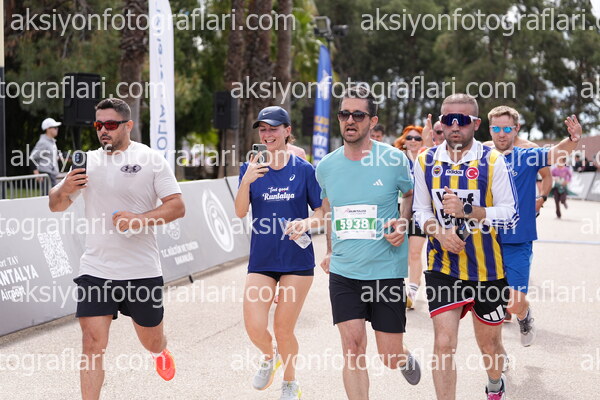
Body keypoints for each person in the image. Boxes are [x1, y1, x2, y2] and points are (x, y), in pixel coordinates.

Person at [49, 99, 184, 399]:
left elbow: (177, 206)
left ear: (128, 125)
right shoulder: (87, 162)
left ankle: (160, 351)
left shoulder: (150, 159)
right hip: (96, 270)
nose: (103, 131)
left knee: (151, 340)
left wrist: (140, 220)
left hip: (141, 270)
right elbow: (56, 206)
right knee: (92, 344)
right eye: (99, 125)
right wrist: (64, 189)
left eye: (110, 124)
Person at [317, 86, 421, 399]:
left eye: (358, 115)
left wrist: (403, 222)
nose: (350, 120)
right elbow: (329, 210)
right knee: (352, 348)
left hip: (385, 270)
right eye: (344, 114)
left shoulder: (393, 159)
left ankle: (401, 355)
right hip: (344, 273)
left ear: (372, 120)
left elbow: (410, 195)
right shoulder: (326, 166)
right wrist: (329, 251)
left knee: (388, 355)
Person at [413, 94, 518, 400]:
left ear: (476, 123)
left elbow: (511, 214)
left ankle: (495, 382)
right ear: (441, 124)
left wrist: (468, 210)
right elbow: (420, 210)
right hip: (443, 266)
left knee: (489, 346)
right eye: (449, 120)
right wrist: (439, 233)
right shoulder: (426, 160)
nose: (455, 125)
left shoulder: (493, 160)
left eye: (462, 120)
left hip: (488, 270)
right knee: (444, 344)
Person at [235, 106, 324, 400]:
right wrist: (246, 181)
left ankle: (290, 381)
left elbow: (322, 213)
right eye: (263, 129)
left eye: (273, 128)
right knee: (254, 326)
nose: (267, 134)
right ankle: (268, 355)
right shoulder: (251, 168)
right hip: (262, 260)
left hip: (296, 261)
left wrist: (306, 223)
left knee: (283, 328)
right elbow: (240, 212)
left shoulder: (305, 170)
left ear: (287, 131)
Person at [487, 106, 581, 347]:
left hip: (518, 239)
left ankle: (524, 313)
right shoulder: (480, 156)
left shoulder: (526, 155)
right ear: (490, 129)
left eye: (507, 128)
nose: (501, 133)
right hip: (486, 241)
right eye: (496, 128)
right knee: (490, 306)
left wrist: (573, 140)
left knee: (514, 303)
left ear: (516, 128)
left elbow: (556, 153)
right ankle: (497, 357)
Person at [393, 125, 427, 309]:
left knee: (414, 252)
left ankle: (412, 292)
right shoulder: (396, 159)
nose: (413, 141)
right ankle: (403, 284)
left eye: (417, 138)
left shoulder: (427, 158)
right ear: (404, 141)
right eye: (409, 138)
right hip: (399, 208)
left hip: (420, 210)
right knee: (401, 252)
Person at [30, 117, 63, 193]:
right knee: (48, 198)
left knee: (53, 198)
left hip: (52, 175)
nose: (57, 129)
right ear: (48, 129)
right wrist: (36, 174)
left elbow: (51, 158)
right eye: (55, 127)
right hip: (46, 175)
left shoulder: (52, 142)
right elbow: (31, 158)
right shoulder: (43, 142)